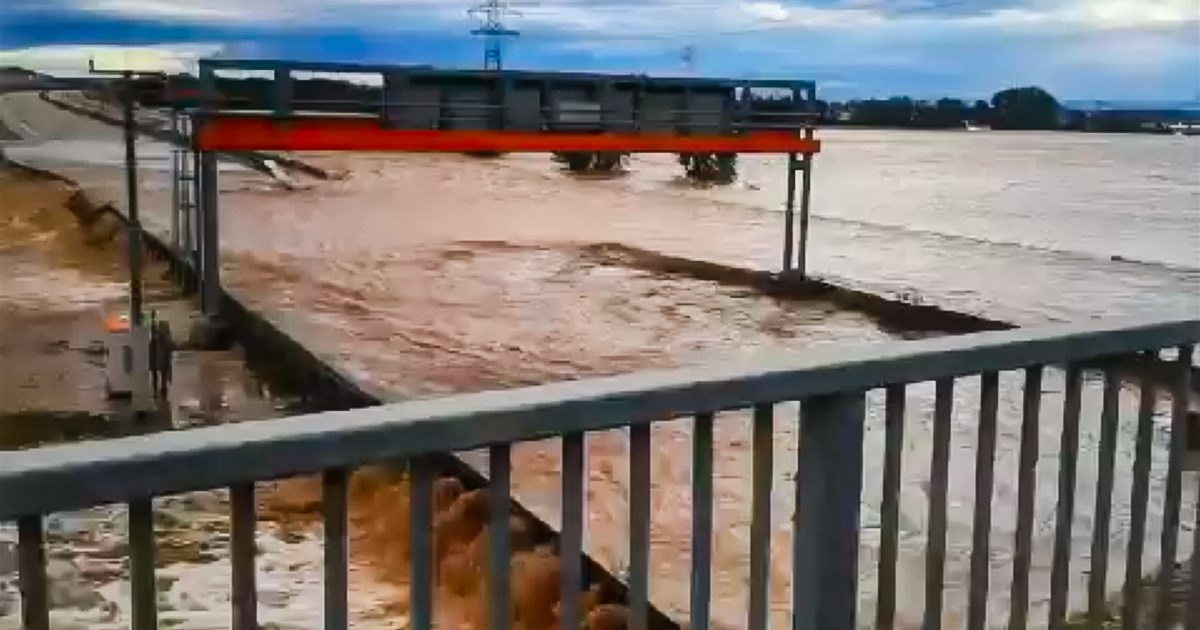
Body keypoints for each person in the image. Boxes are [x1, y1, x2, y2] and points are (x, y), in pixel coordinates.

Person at [154, 320, 175, 399]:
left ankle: (164, 389)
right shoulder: (166, 338)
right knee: (167, 375)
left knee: (164, 375)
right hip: (166, 358)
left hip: (162, 358)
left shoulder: (158, 338)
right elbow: (172, 346)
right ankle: (165, 389)